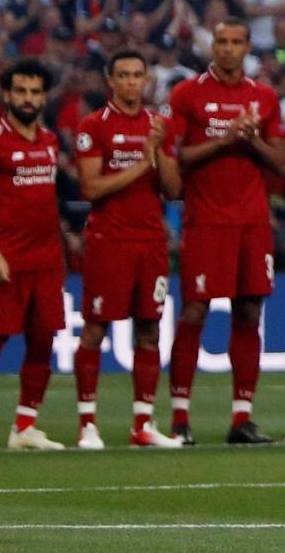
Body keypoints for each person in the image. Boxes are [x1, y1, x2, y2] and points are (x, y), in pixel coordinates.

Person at [164, 19, 285, 444]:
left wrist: (250, 140)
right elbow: (176, 157)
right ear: (211, 46)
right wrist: (226, 138)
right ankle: (180, 418)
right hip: (205, 221)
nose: (229, 49)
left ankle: (242, 419)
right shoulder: (187, 94)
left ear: (248, 47)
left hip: (252, 222)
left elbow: (283, 164)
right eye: (222, 42)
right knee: (195, 311)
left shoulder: (264, 97)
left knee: (249, 312)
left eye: (237, 42)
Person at [70, 50, 181, 448]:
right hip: (109, 240)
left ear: (146, 79)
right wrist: (141, 163)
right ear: (110, 81)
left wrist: (161, 152)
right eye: (124, 75)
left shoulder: (157, 125)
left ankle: (143, 425)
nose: (132, 81)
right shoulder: (92, 126)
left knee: (149, 331)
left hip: (150, 240)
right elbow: (91, 187)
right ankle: (87, 425)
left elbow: (173, 189)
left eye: (138, 74)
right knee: (96, 329)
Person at [0, 61, 65, 451]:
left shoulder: (51, 141)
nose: (28, 99)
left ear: (43, 97)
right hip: (5, 261)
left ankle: (24, 427)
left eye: (35, 92)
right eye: (20, 91)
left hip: (47, 263)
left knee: (43, 343)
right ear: (6, 95)